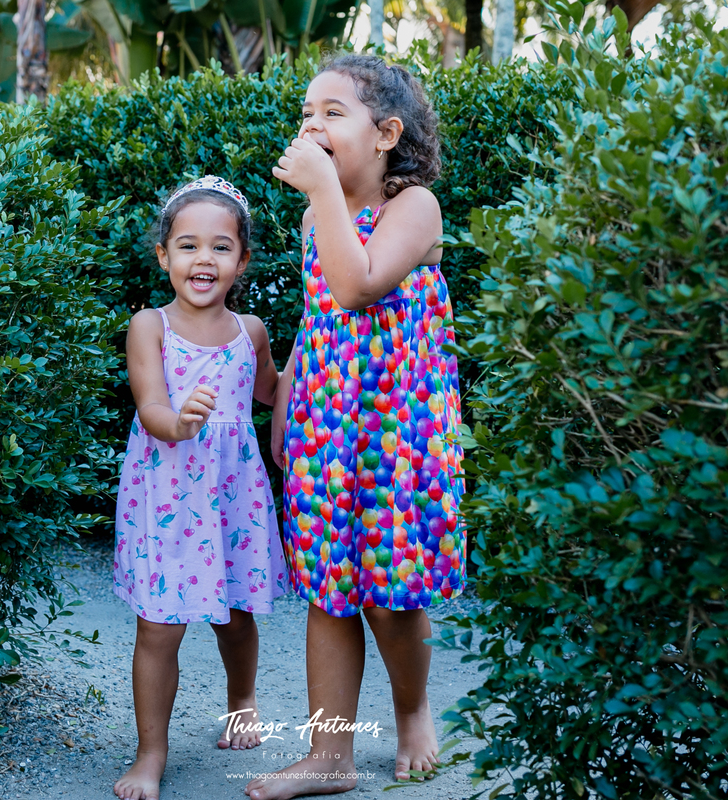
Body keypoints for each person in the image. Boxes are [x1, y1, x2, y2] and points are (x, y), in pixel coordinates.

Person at [246, 54, 466, 800]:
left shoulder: (416, 209)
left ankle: (412, 713)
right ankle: (329, 755)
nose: (311, 126)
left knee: (392, 594)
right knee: (329, 591)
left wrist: (321, 196)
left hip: (400, 436)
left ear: (386, 134)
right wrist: (290, 401)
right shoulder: (318, 215)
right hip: (328, 429)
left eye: (332, 114)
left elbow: (360, 283)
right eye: (307, 113)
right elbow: (320, 314)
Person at [113, 176, 288, 800]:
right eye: (187, 246)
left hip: (232, 498)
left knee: (237, 616)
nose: (203, 260)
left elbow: (273, 390)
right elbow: (152, 405)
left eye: (220, 247)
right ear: (164, 256)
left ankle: (243, 700)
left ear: (242, 261)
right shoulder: (149, 326)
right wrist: (182, 421)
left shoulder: (252, 331)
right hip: (167, 498)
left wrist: (323, 355)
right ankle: (150, 752)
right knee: (159, 628)